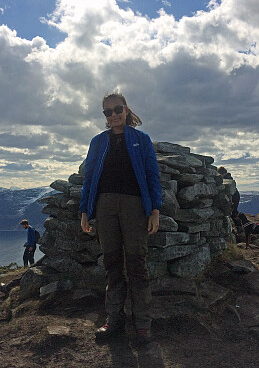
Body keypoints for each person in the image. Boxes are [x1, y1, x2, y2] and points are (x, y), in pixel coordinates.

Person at [79, 92, 161, 344]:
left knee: (137, 265)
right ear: (104, 115)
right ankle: (114, 319)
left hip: (135, 207)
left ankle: (142, 324)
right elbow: (89, 178)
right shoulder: (98, 142)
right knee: (112, 265)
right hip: (104, 207)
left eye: (117, 109)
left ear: (126, 109)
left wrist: (155, 211)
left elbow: (152, 176)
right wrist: (85, 212)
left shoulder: (141, 139)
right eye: (108, 112)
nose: (113, 115)